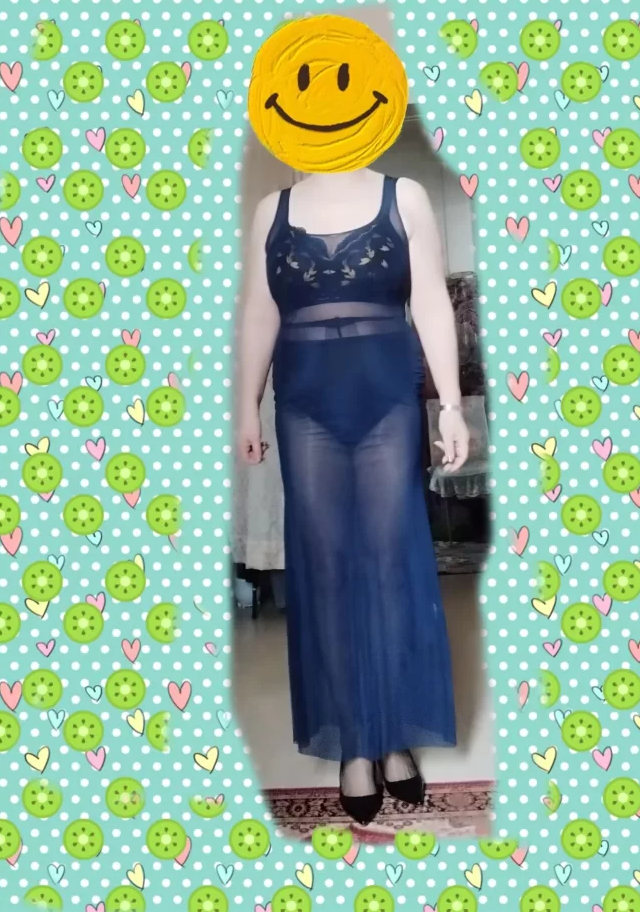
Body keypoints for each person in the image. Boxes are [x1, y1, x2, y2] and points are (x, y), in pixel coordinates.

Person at [235, 164, 469, 824]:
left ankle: (392, 735)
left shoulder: (406, 196)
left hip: (387, 399)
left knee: (389, 563)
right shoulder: (272, 211)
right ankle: (354, 742)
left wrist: (451, 406)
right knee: (328, 569)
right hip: (304, 403)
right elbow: (261, 309)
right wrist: (247, 404)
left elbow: (430, 302)